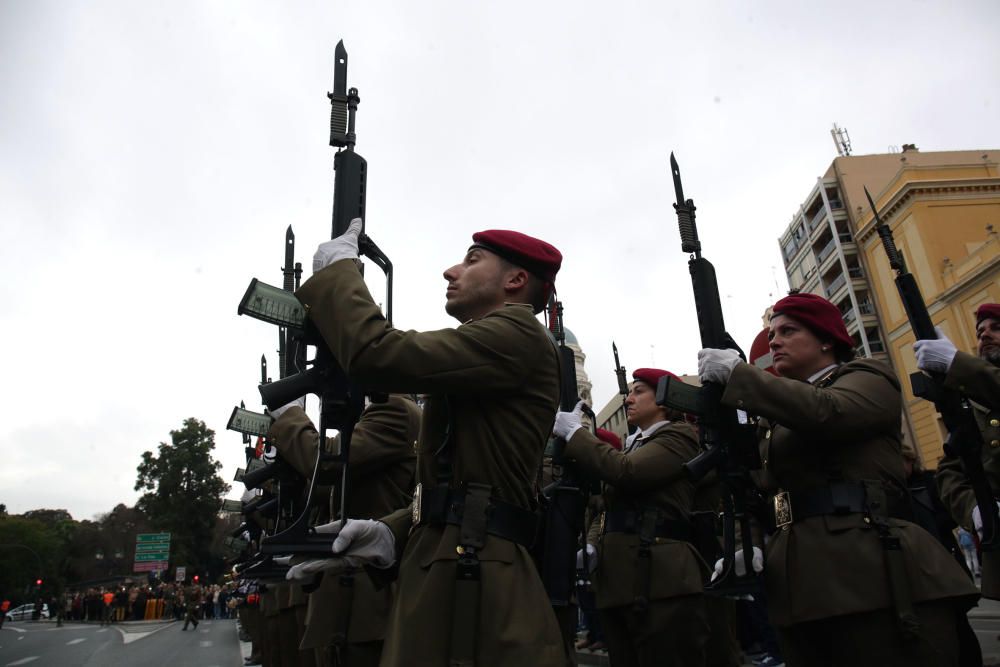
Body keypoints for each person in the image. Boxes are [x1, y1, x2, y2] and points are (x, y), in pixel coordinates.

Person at [286, 223, 566, 666]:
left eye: (472, 260)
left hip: (477, 573)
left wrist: (341, 275)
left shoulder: (517, 333)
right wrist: (389, 531)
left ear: (515, 281)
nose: (450, 271)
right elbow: (461, 483)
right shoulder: (492, 347)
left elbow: (378, 355)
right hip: (455, 561)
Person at [698, 292, 979, 666]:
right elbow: (759, 490)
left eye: (788, 330)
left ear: (827, 339)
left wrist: (738, 376)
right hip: (799, 581)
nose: (774, 341)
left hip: (870, 567)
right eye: (772, 333)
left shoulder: (867, 375)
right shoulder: (777, 414)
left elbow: (831, 413)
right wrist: (746, 545)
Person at [554, 368, 710, 666]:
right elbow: (607, 506)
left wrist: (576, 434)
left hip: (661, 579)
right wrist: (593, 544)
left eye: (639, 391)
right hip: (622, 580)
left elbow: (628, 472)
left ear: (663, 399)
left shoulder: (678, 436)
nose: (629, 400)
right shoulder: (636, 444)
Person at [271, 393, 420, 667]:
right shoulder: (370, 416)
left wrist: (289, 415)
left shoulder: (394, 409)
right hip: (349, 591)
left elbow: (325, 462)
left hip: (368, 594)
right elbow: (325, 488)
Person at [915, 303, 1000, 410]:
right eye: (979, 334)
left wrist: (954, 361)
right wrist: (942, 378)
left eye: (997, 328)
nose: (984, 335)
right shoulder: (972, 391)